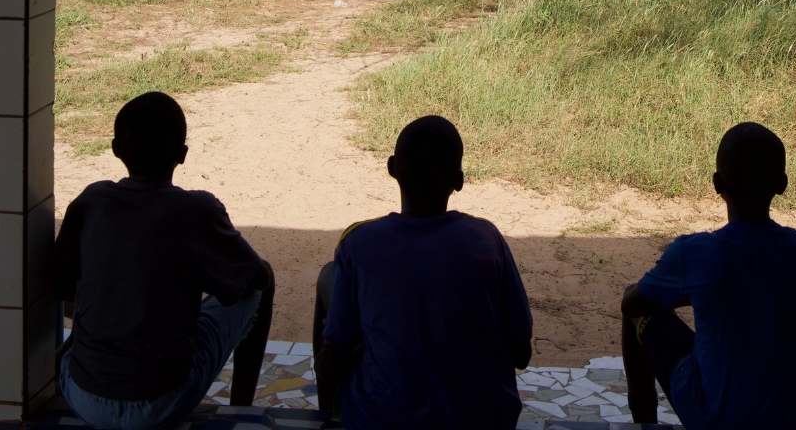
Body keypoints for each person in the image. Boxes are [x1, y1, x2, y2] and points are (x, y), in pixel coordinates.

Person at [620, 122, 796, 430]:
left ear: (717, 183)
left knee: (638, 306)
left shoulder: (692, 254)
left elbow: (632, 305)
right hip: (788, 417)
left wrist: (691, 294)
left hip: (709, 417)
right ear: (782, 184)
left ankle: (645, 422)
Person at [55, 92, 275, 430]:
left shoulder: (92, 202)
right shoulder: (196, 211)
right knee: (260, 281)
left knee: (99, 294)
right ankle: (241, 409)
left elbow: (61, 286)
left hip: (82, 394)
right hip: (161, 402)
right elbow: (254, 277)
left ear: (115, 149)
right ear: (182, 155)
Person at [313, 115, 532, 430]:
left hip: (382, 420)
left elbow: (332, 365)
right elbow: (520, 353)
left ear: (392, 168)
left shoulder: (358, 243)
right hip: (484, 420)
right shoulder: (486, 240)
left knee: (329, 278)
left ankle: (327, 417)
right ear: (458, 180)